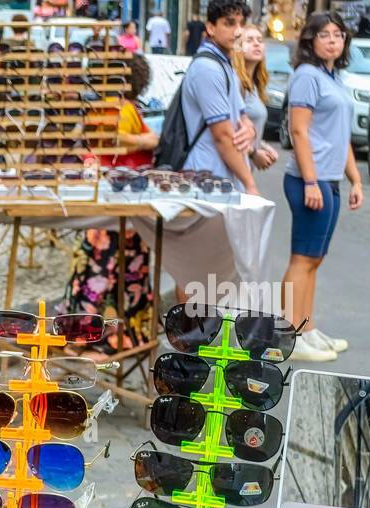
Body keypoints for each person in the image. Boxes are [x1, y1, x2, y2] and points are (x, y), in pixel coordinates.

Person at [282, 12, 362, 362]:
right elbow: (299, 131)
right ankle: (287, 336)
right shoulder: (307, 76)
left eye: (338, 35)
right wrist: (311, 180)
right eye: (324, 34)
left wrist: (355, 178)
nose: (332, 40)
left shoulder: (335, 78)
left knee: (315, 259)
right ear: (310, 41)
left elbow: (340, 136)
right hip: (307, 180)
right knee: (301, 259)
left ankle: (306, 329)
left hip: (329, 180)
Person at [65, 54, 157, 351]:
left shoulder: (106, 107)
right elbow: (129, 140)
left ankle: (81, 336)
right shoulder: (125, 108)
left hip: (108, 197)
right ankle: (116, 339)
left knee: (96, 269)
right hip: (126, 199)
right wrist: (147, 140)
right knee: (120, 272)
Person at [178, 0, 259, 195]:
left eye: (241, 23)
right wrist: (250, 184)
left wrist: (250, 130)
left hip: (220, 179)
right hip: (205, 180)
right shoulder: (208, 67)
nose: (238, 31)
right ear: (211, 28)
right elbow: (222, 136)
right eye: (229, 23)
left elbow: (242, 118)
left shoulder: (224, 64)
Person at [234, 23, 280, 173]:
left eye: (260, 40)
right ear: (238, 47)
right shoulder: (236, 81)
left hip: (246, 169)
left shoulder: (254, 84)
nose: (256, 44)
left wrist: (263, 146)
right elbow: (228, 133)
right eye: (250, 40)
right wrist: (254, 153)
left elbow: (250, 129)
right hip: (233, 169)